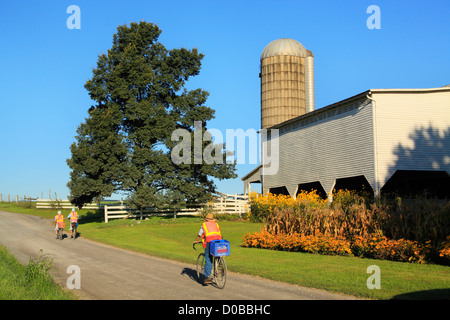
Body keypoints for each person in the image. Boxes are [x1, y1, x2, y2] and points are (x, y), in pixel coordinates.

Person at [193, 213, 222, 284]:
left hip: (209, 241)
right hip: (218, 240)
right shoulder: (216, 224)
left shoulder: (204, 224)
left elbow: (200, 234)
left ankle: (207, 276)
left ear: (206, 219)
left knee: (208, 258)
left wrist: (197, 240)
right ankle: (219, 261)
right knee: (216, 252)